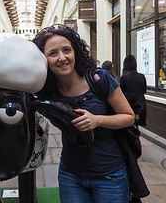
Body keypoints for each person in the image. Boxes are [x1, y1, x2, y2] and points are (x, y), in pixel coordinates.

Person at [33, 24, 135, 203]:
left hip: (110, 176)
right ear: (43, 60)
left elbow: (129, 117)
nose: (62, 58)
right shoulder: (46, 91)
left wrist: (97, 120)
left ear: (75, 52)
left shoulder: (99, 78)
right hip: (70, 174)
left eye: (66, 50)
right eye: (53, 53)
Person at [120, 54, 147, 126]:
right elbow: (144, 91)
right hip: (141, 105)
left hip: (129, 107)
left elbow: (121, 94)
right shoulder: (142, 76)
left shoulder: (124, 78)